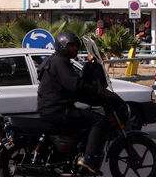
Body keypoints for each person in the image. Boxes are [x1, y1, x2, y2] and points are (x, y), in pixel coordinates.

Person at [36, 31, 115, 175]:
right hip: (57, 110)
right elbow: (74, 85)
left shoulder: (56, 60)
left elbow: (72, 88)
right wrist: (97, 91)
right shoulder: (60, 62)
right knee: (98, 120)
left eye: (75, 46)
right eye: (71, 46)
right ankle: (88, 159)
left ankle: (74, 156)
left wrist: (89, 93)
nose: (74, 49)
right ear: (62, 46)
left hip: (52, 108)